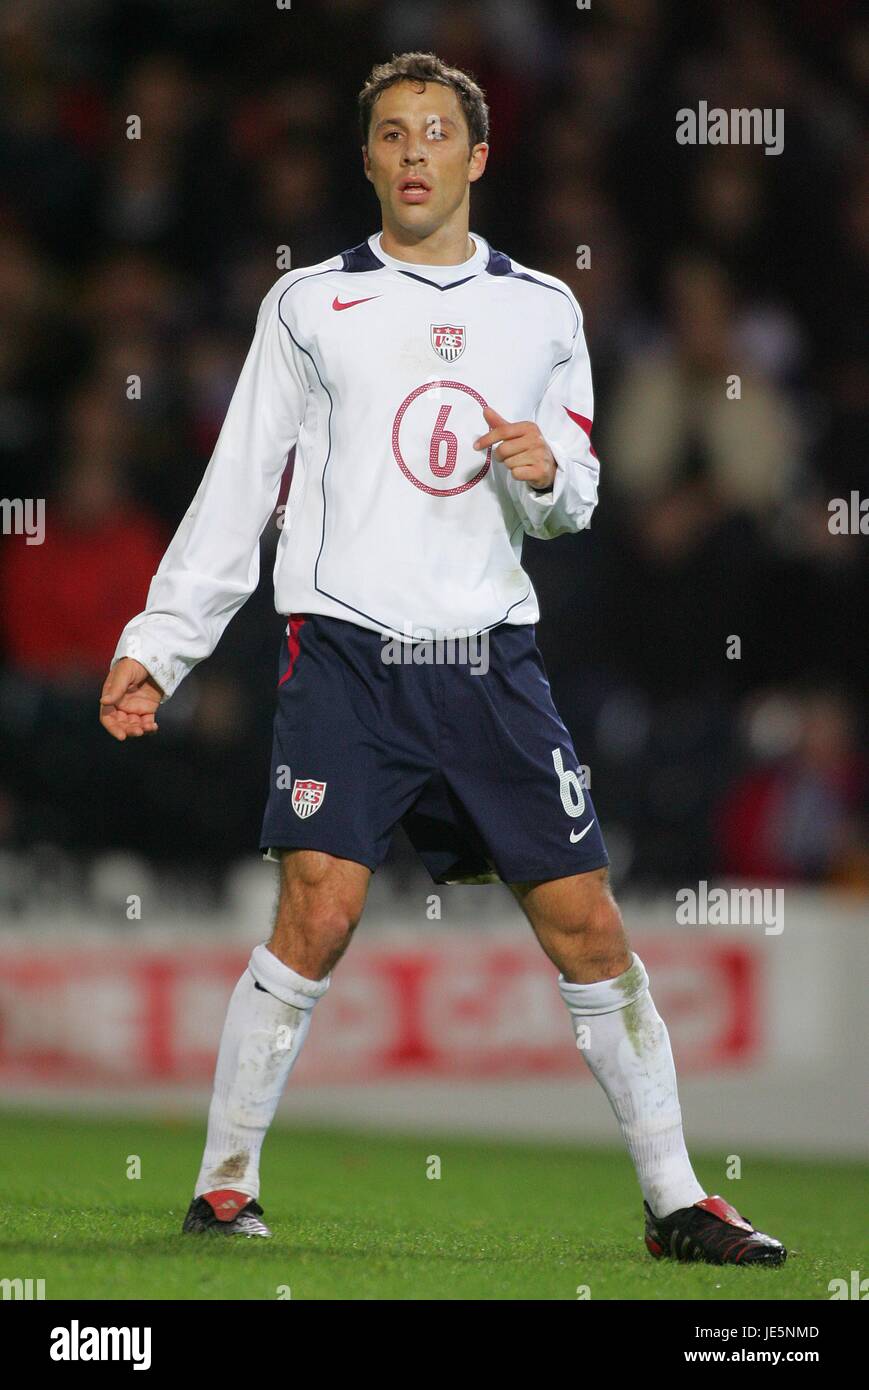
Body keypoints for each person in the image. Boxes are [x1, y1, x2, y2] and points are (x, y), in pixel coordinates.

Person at [99, 52, 784, 1266]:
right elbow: (238, 486)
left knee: (586, 927)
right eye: (390, 133)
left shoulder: (543, 311)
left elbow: (570, 493)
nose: (413, 150)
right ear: (367, 160)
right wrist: (159, 645)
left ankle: (678, 1201)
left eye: (436, 132)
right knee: (320, 905)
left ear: (477, 157)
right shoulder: (308, 304)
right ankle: (220, 1187)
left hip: (488, 662)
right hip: (347, 655)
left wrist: (545, 475)